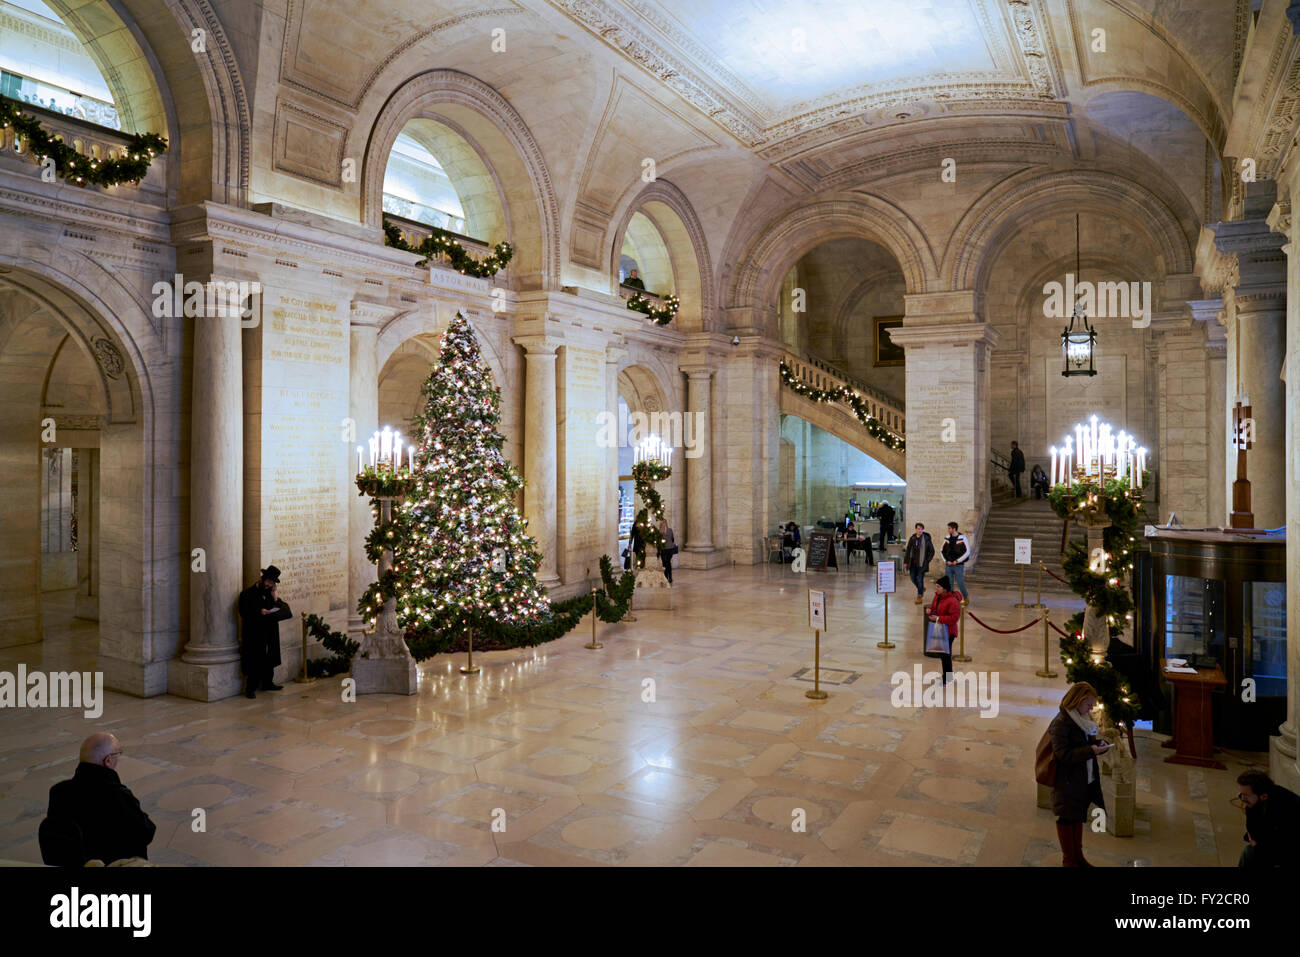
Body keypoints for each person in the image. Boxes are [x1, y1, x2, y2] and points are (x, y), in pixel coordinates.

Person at [41, 733, 156, 866]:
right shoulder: (117, 795)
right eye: (118, 753)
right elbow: (146, 832)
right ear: (108, 760)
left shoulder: (58, 792)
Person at [1048, 682, 1108, 866]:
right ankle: (1069, 859)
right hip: (1067, 780)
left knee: (1077, 815)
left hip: (1082, 777)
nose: (1091, 708)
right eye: (1088, 704)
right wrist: (1091, 750)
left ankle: (1078, 857)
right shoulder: (1061, 723)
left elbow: (1083, 743)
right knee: (1067, 817)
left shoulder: (1082, 718)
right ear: (1077, 701)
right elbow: (1063, 755)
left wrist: (1100, 745)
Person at [238, 565, 292, 698]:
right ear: (262, 580)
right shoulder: (247, 594)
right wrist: (259, 612)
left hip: (269, 632)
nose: (269, 586)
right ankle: (250, 688)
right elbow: (243, 612)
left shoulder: (270, 594)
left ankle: (268, 683)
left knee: (270, 658)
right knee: (254, 660)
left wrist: (275, 597)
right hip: (254, 634)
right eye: (268, 583)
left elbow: (287, 612)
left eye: (272, 584)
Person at [1236, 770, 1300, 867]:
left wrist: (1257, 844)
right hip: (1272, 844)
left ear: (1264, 796)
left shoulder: (1286, 808)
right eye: (1241, 794)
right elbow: (1252, 829)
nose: (1242, 799)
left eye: (1246, 795)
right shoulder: (1253, 803)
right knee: (1249, 852)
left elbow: (1284, 844)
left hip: (1291, 850)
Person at [924, 575, 962, 683]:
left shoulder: (952, 601)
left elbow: (954, 618)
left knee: (946, 655)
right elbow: (933, 607)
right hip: (940, 629)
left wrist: (939, 618)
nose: (936, 588)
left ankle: (948, 677)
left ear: (944, 588)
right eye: (936, 586)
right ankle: (946, 675)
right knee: (942, 654)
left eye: (938, 587)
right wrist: (930, 610)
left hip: (949, 631)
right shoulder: (937, 596)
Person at [903, 522, 935, 604]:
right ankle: (921, 588)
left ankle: (919, 596)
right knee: (912, 578)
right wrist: (905, 562)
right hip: (912, 563)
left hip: (922, 564)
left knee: (920, 579)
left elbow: (932, 551)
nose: (919, 530)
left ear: (923, 530)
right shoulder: (912, 538)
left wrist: (927, 560)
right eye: (918, 529)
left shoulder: (927, 539)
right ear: (916, 529)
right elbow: (908, 550)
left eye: (921, 529)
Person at [942, 522, 971, 604]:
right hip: (948, 565)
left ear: (954, 529)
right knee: (949, 583)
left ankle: (965, 597)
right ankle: (951, 600)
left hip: (958, 566)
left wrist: (957, 561)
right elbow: (942, 550)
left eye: (949, 528)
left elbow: (967, 552)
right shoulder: (947, 538)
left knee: (960, 582)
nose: (948, 530)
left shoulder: (962, 538)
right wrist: (946, 561)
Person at [657, 519, 678, 584]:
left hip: (664, 549)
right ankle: (670, 578)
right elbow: (673, 539)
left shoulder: (660, 532)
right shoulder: (670, 530)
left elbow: (658, 542)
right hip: (670, 548)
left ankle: (666, 577)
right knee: (668, 563)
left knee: (665, 563)